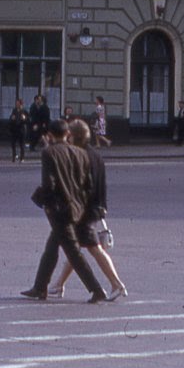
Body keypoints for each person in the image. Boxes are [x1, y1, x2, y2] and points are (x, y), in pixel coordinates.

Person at [20, 120, 110, 304]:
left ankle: (96, 289)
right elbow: (88, 185)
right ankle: (40, 286)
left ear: (50, 135)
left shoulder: (49, 153)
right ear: (67, 134)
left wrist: (43, 201)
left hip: (59, 209)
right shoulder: (80, 153)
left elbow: (49, 184)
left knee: (73, 252)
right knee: (52, 247)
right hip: (77, 207)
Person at [50, 119, 128, 300]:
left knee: (93, 248)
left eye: (69, 135)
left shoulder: (80, 155)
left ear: (74, 137)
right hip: (96, 206)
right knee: (74, 247)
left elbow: (81, 185)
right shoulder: (95, 155)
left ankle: (117, 284)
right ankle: (59, 284)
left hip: (84, 209)